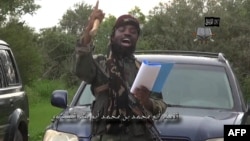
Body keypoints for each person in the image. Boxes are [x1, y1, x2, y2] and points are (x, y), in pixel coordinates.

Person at [74, 9, 167, 141]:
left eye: (133, 32)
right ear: (113, 36)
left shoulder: (145, 69)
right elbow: (81, 71)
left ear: (137, 39)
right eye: (122, 30)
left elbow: (161, 104)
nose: (127, 33)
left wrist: (147, 102)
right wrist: (89, 28)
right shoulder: (100, 63)